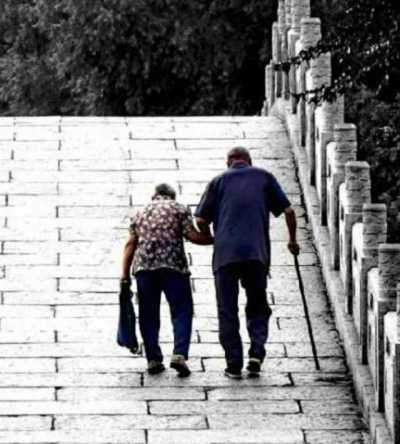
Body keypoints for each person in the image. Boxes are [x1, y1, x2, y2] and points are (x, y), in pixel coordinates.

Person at [195, 147, 299, 379]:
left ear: (228, 162)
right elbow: (289, 211)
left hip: (225, 256)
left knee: (227, 309)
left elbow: (200, 219)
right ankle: (256, 354)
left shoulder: (218, 181)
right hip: (256, 254)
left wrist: (212, 237)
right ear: (249, 161)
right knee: (257, 304)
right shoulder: (264, 177)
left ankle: (233, 365)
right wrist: (292, 241)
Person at [121, 183, 213, 377]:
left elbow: (130, 244)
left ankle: (153, 359)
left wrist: (124, 275)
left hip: (145, 269)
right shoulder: (179, 209)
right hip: (174, 267)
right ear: (172, 196)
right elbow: (193, 236)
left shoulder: (140, 212)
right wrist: (213, 238)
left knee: (148, 314)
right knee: (182, 310)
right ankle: (179, 354)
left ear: (154, 196)